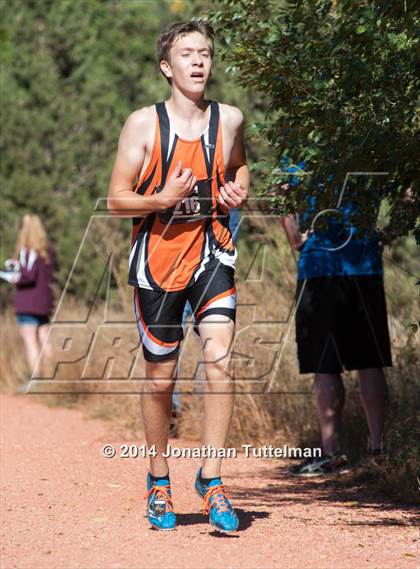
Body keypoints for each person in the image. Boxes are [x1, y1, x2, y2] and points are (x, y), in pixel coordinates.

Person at [107, 20, 249, 532]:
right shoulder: (142, 125)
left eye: (205, 52)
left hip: (213, 253)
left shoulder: (228, 119)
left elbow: (238, 167)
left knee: (220, 363)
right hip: (158, 263)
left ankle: (212, 478)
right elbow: (116, 199)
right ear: (167, 67)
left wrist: (238, 190)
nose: (198, 60)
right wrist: (161, 200)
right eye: (187, 52)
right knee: (159, 378)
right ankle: (158, 479)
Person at [280, 167, 392, 477]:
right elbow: (408, 191)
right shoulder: (370, 143)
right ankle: (377, 450)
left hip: (319, 266)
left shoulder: (299, 145)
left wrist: (296, 240)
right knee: (370, 361)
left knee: (325, 365)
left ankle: (332, 454)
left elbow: (283, 197)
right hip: (364, 262)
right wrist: (385, 233)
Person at [1, 214, 55, 392]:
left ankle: (37, 379)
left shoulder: (27, 250)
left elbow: (28, 276)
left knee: (30, 340)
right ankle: (52, 378)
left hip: (28, 302)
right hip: (45, 302)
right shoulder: (47, 250)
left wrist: (12, 277)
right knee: (45, 338)